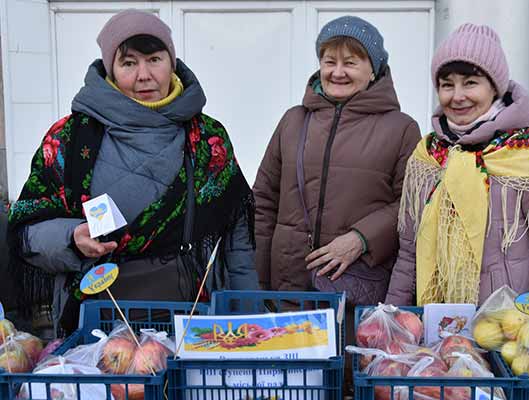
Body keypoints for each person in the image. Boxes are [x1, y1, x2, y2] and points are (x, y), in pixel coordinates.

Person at [7, 9, 258, 334]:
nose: (144, 75)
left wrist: (248, 319)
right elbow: (26, 233)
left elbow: (237, 240)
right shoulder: (68, 140)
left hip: (191, 322)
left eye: (154, 59)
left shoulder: (207, 139)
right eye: (128, 63)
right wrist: (71, 238)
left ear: (172, 61)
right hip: (95, 322)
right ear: (110, 69)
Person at [386, 23, 529, 309]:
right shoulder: (427, 156)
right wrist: (393, 319)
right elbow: (408, 257)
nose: (457, 96)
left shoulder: (528, 153)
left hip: (508, 332)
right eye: (446, 84)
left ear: (495, 87)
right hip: (436, 333)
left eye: (470, 82)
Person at [254, 15, 420, 301]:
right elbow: (264, 202)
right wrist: (256, 286)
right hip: (286, 290)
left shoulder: (402, 128)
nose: (338, 72)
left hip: (354, 291)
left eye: (351, 62)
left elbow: (411, 206)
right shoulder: (293, 121)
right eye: (330, 61)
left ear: (373, 71)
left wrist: (362, 238)